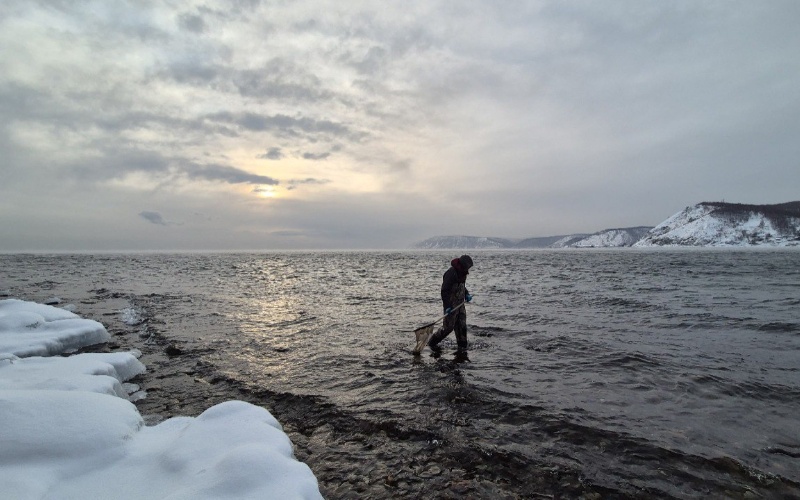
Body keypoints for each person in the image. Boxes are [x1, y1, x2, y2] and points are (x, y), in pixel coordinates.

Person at [428, 254, 473, 352]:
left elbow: (462, 287)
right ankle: (431, 343)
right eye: (467, 267)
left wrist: (467, 294)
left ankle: (462, 348)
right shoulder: (450, 274)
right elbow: (444, 291)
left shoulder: (463, 273)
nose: (468, 270)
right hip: (451, 306)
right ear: (462, 265)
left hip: (460, 305)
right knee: (448, 328)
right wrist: (447, 306)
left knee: (462, 326)